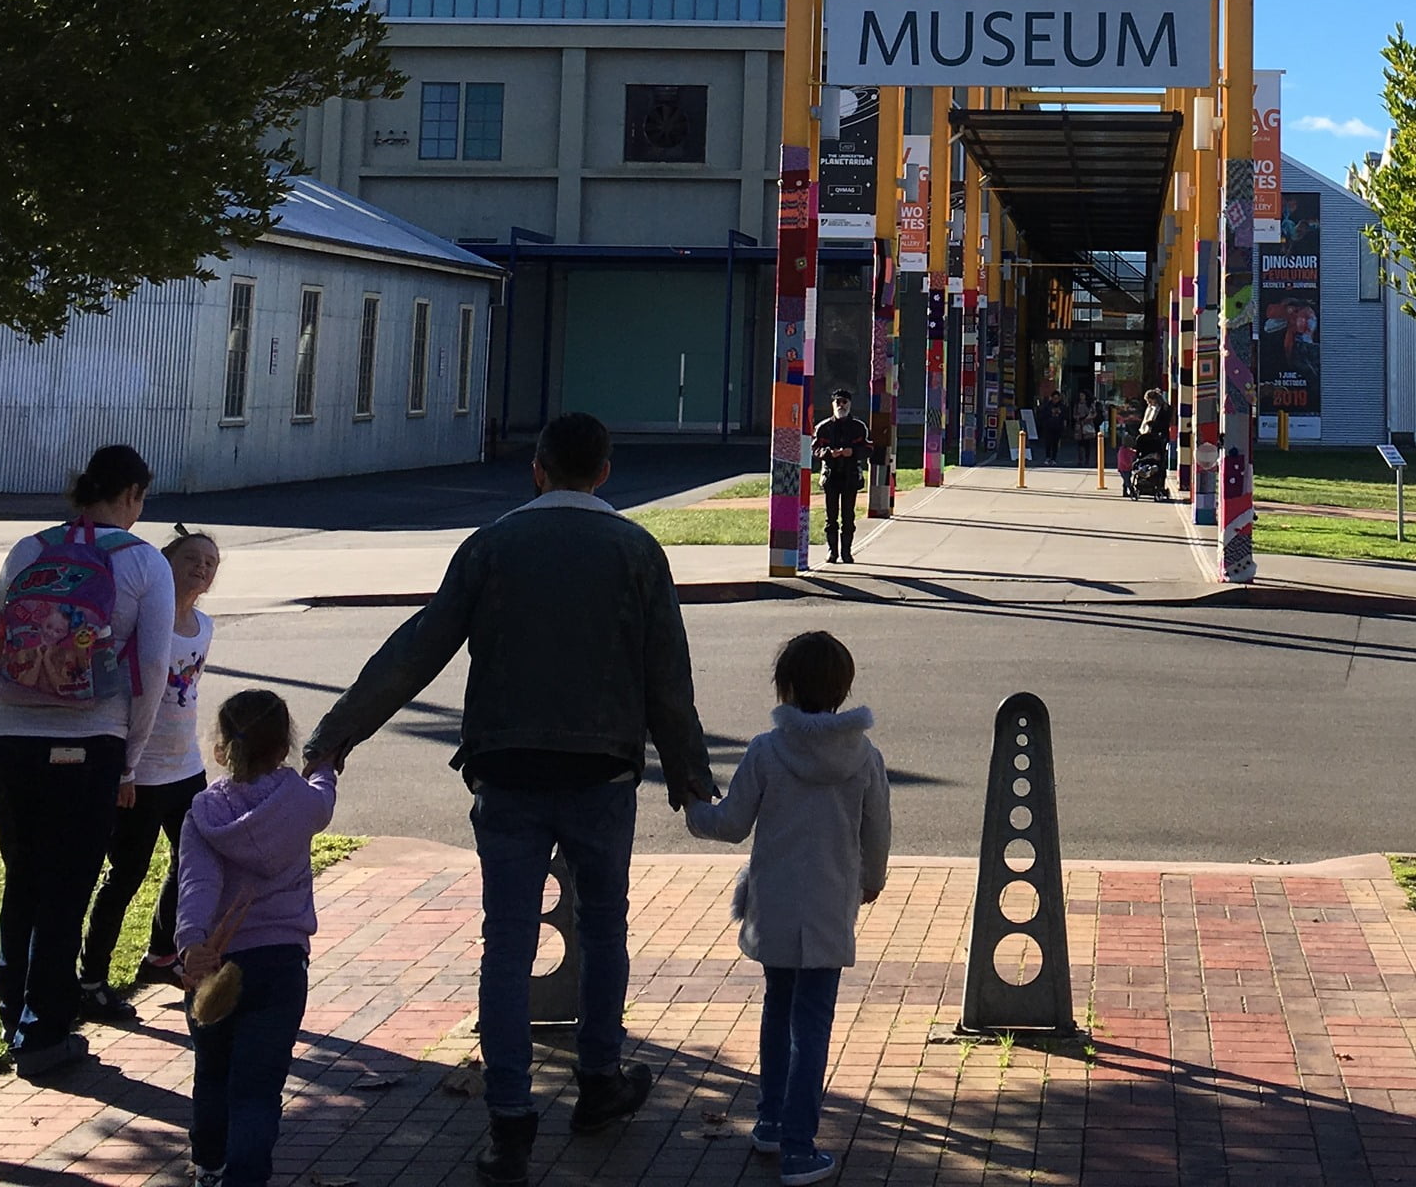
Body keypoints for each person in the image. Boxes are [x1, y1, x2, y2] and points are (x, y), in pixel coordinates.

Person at [304, 411, 716, 1186]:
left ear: (537, 469)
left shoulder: (490, 546)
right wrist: (689, 772)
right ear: (604, 471)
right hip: (602, 771)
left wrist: (337, 734)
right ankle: (598, 1083)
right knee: (603, 929)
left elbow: (419, 647)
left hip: (507, 770)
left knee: (506, 946)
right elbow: (667, 674)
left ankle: (510, 1121)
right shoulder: (636, 550)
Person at [0, 443, 178, 1080]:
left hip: (7, 735)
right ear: (132, 496)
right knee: (69, 885)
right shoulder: (145, 562)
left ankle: (15, 1012)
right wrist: (129, 759)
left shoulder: (29, 548)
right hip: (90, 740)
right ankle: (44, 1032)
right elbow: (151, 666)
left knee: (25, 877)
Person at [683, 632, 891, 1187]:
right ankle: (801, 1148)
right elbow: (877, 834)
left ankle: (771, 1120)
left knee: (777, 1009)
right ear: (843, 689)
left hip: (774, 904)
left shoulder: (765, 750)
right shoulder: (865, 756)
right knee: (813, 1023)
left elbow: (730, 825)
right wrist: (870, 883)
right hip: (829, 903)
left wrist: (693, 804)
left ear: (787, 687)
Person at [177, 688, 338, 1187]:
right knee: (259, 1086)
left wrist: (192, 942)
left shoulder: (205, 813)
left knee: (214, 1073)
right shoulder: (300, 802)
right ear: (282, 746)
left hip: (219, 963)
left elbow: (197, 883)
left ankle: (208, 1164)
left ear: (222, 747)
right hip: (282, 962)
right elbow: (324, 793)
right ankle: (247, 1176)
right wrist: (324, 765)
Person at [77, 526, 221, 1017]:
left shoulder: (205, 626)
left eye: (210, 563)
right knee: (127, 873)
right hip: (138, 772)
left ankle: (160, 955)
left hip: (186, 768)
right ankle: (91, 978)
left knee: (193, 862)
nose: (201, 568)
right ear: (166, 563)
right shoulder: (143, 621)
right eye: (192, 558)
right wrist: (124, 769)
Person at [811, 388, 869, 565]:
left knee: (848, 516)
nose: (841, 405)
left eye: (844, 402)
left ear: (850, 405)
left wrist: (853, 452)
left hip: (850, 476)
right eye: (838, 402)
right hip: (831, 476)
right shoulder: (823, 428)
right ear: (833, 404)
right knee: (831, 517)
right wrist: (828, 453)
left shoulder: (859, 427)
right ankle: (832, 551)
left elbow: (869, 449)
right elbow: (814, 449)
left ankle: (846, 552)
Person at [1034, 386, 1066, 467]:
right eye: (1054, 398)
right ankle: (1047, 457)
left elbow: (1064, 416)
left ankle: (1054, 459)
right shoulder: (1047, 406)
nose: (1055, 400)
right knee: (1048, 443)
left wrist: (1063, 425)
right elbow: (1043, 415)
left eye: (1057, 398)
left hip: (1058, 427)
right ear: (1051, 398)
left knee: (1055, 443)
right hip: (1048, 426)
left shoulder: (1062, 406)